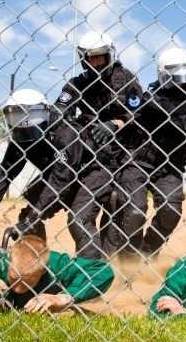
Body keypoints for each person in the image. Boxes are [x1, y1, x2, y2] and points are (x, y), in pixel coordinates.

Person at [0, 89, 106, 259]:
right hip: (58, 174)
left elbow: (61, 179)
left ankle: (91, 269)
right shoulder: (22, 137)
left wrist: (34, 215)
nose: (27, 138)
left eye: (31, 132)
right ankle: (37, 264)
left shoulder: (66, 134)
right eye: (23, 133)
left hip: (90, 175)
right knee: (28, 218)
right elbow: (5, 172)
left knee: (78, 220)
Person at [114, 48, 186, 259]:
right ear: (164, 76)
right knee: (135, 210)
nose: (184, 83)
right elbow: (181, 123)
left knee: (171, 209)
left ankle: (149, 252)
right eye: (178, 78)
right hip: (139, 161)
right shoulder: (151, 100)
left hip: (170, 167)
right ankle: (128, 258)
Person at [53, 31, 144, 257]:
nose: (95, 62)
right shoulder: (77, 83)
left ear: (109, 55)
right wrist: (81, 130)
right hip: (95, 158)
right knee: (80, 216)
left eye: (99, 57)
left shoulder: (127, 79)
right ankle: (91, 266)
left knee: (123, 209)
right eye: (90, 58)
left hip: (126, 153)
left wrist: (115, 123)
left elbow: (140, 114)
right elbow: (58, 114)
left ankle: (120, 262)